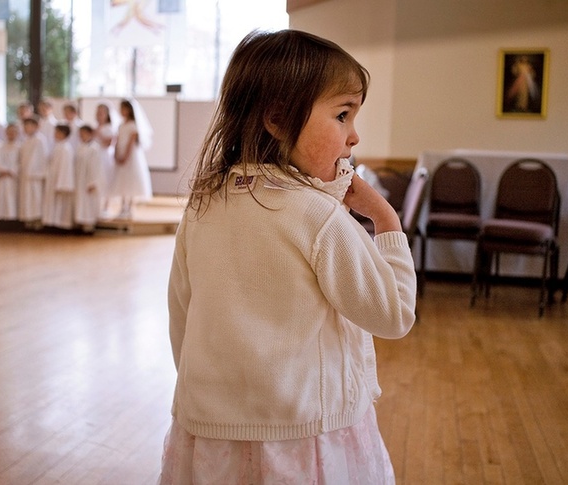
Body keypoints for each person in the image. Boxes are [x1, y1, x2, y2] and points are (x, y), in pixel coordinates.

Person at [159, 30, 417, 483]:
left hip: (211, 434)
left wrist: (213, 395)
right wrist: (385, 218)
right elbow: (394, 312)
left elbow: (181, 314)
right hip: (304, 437)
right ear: (278, 119)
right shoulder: (316, 214)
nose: (354, 136)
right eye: (342, 115)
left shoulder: (203, 203)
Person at [109, 98, 153, 218]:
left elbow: (131, 144)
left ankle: (129, 207)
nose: (122, 111)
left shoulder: (133, 126)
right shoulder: (121, 125)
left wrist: (125, 156)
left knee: (131, 181)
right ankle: (123, 206)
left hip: (131, 157)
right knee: (122, 181)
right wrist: (116, 154)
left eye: (124, 108)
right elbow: (118, 141)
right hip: (120, 155)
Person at [42, 124, 75, 229]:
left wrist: (62, 183)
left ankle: (61, 225)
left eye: (57, 132)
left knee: (60, 204)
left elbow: (65, 168)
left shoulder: (66, 148)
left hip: (60, 181)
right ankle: (52, 224)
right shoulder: (57, 146)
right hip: (52, 179)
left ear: (63, 134)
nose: (55, 134)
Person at [74, 125, 107, 232]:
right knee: (81, 202)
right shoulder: (80, 147)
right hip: (80, 180)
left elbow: (97, 167)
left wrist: (93, 182)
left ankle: (89, 226)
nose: (82, 136)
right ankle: (80, 224)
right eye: (80, 134)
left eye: (84, 133)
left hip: (89, 180)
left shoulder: (94, 148)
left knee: (89, 202)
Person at [18, 117, 48, 227]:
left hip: (36, 175)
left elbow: (43, 157)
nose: (26, 128)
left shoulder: (40, 140)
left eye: (29, 126)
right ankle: (28, 220)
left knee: (36, 197)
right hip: (26, 175)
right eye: (25, 126)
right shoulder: (25, 140)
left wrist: (38, 172)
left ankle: (37, 220)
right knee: (27, 198)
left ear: (35, 126)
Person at [93, 102, 116, 214]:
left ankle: (106, 206)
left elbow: (109, 143)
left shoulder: (109, 128)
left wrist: (98, 133)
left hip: (105, 157)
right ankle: (96, 205)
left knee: (106, 180)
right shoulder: (96, 126)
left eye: (102, 112)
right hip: (95, 157)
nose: (99, 114)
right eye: (98, 112)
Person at [0, 124, 20, 221]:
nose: (11, 134)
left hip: (13, 178)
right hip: (2, 176)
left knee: (12, 199)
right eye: (9, 132)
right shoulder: (1, 146)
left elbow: (21, 162)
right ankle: (2, 220)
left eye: (13, 132)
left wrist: (11, 171)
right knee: (2, 198)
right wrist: (2, 170)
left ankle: (13, 220)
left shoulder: (20, 147)